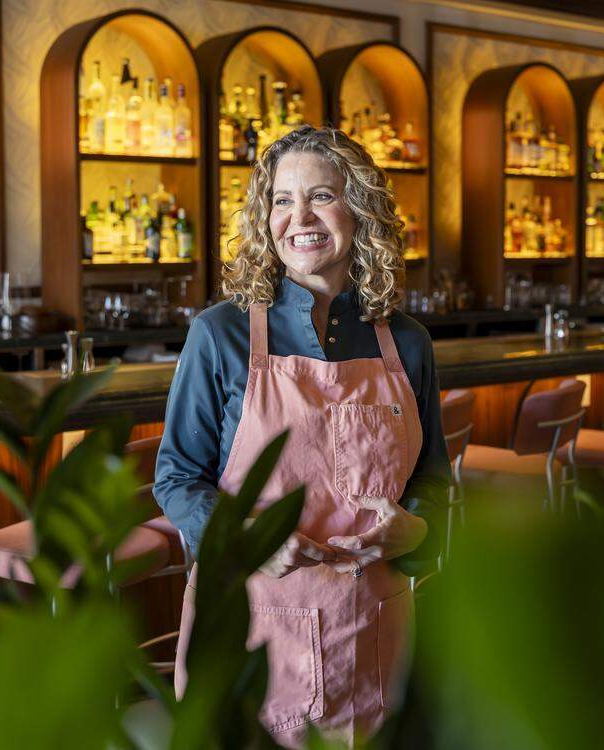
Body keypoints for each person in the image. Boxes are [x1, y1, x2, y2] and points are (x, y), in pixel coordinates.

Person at [154, 125, 449, 746]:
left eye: (321, 195)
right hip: (251, 630)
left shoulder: (409, 342)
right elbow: (177, 478)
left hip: (372, 630)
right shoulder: (221, 335)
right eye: (282, 200)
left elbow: (434, 480)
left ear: (359, 208)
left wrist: (417, 527)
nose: (300, 217)